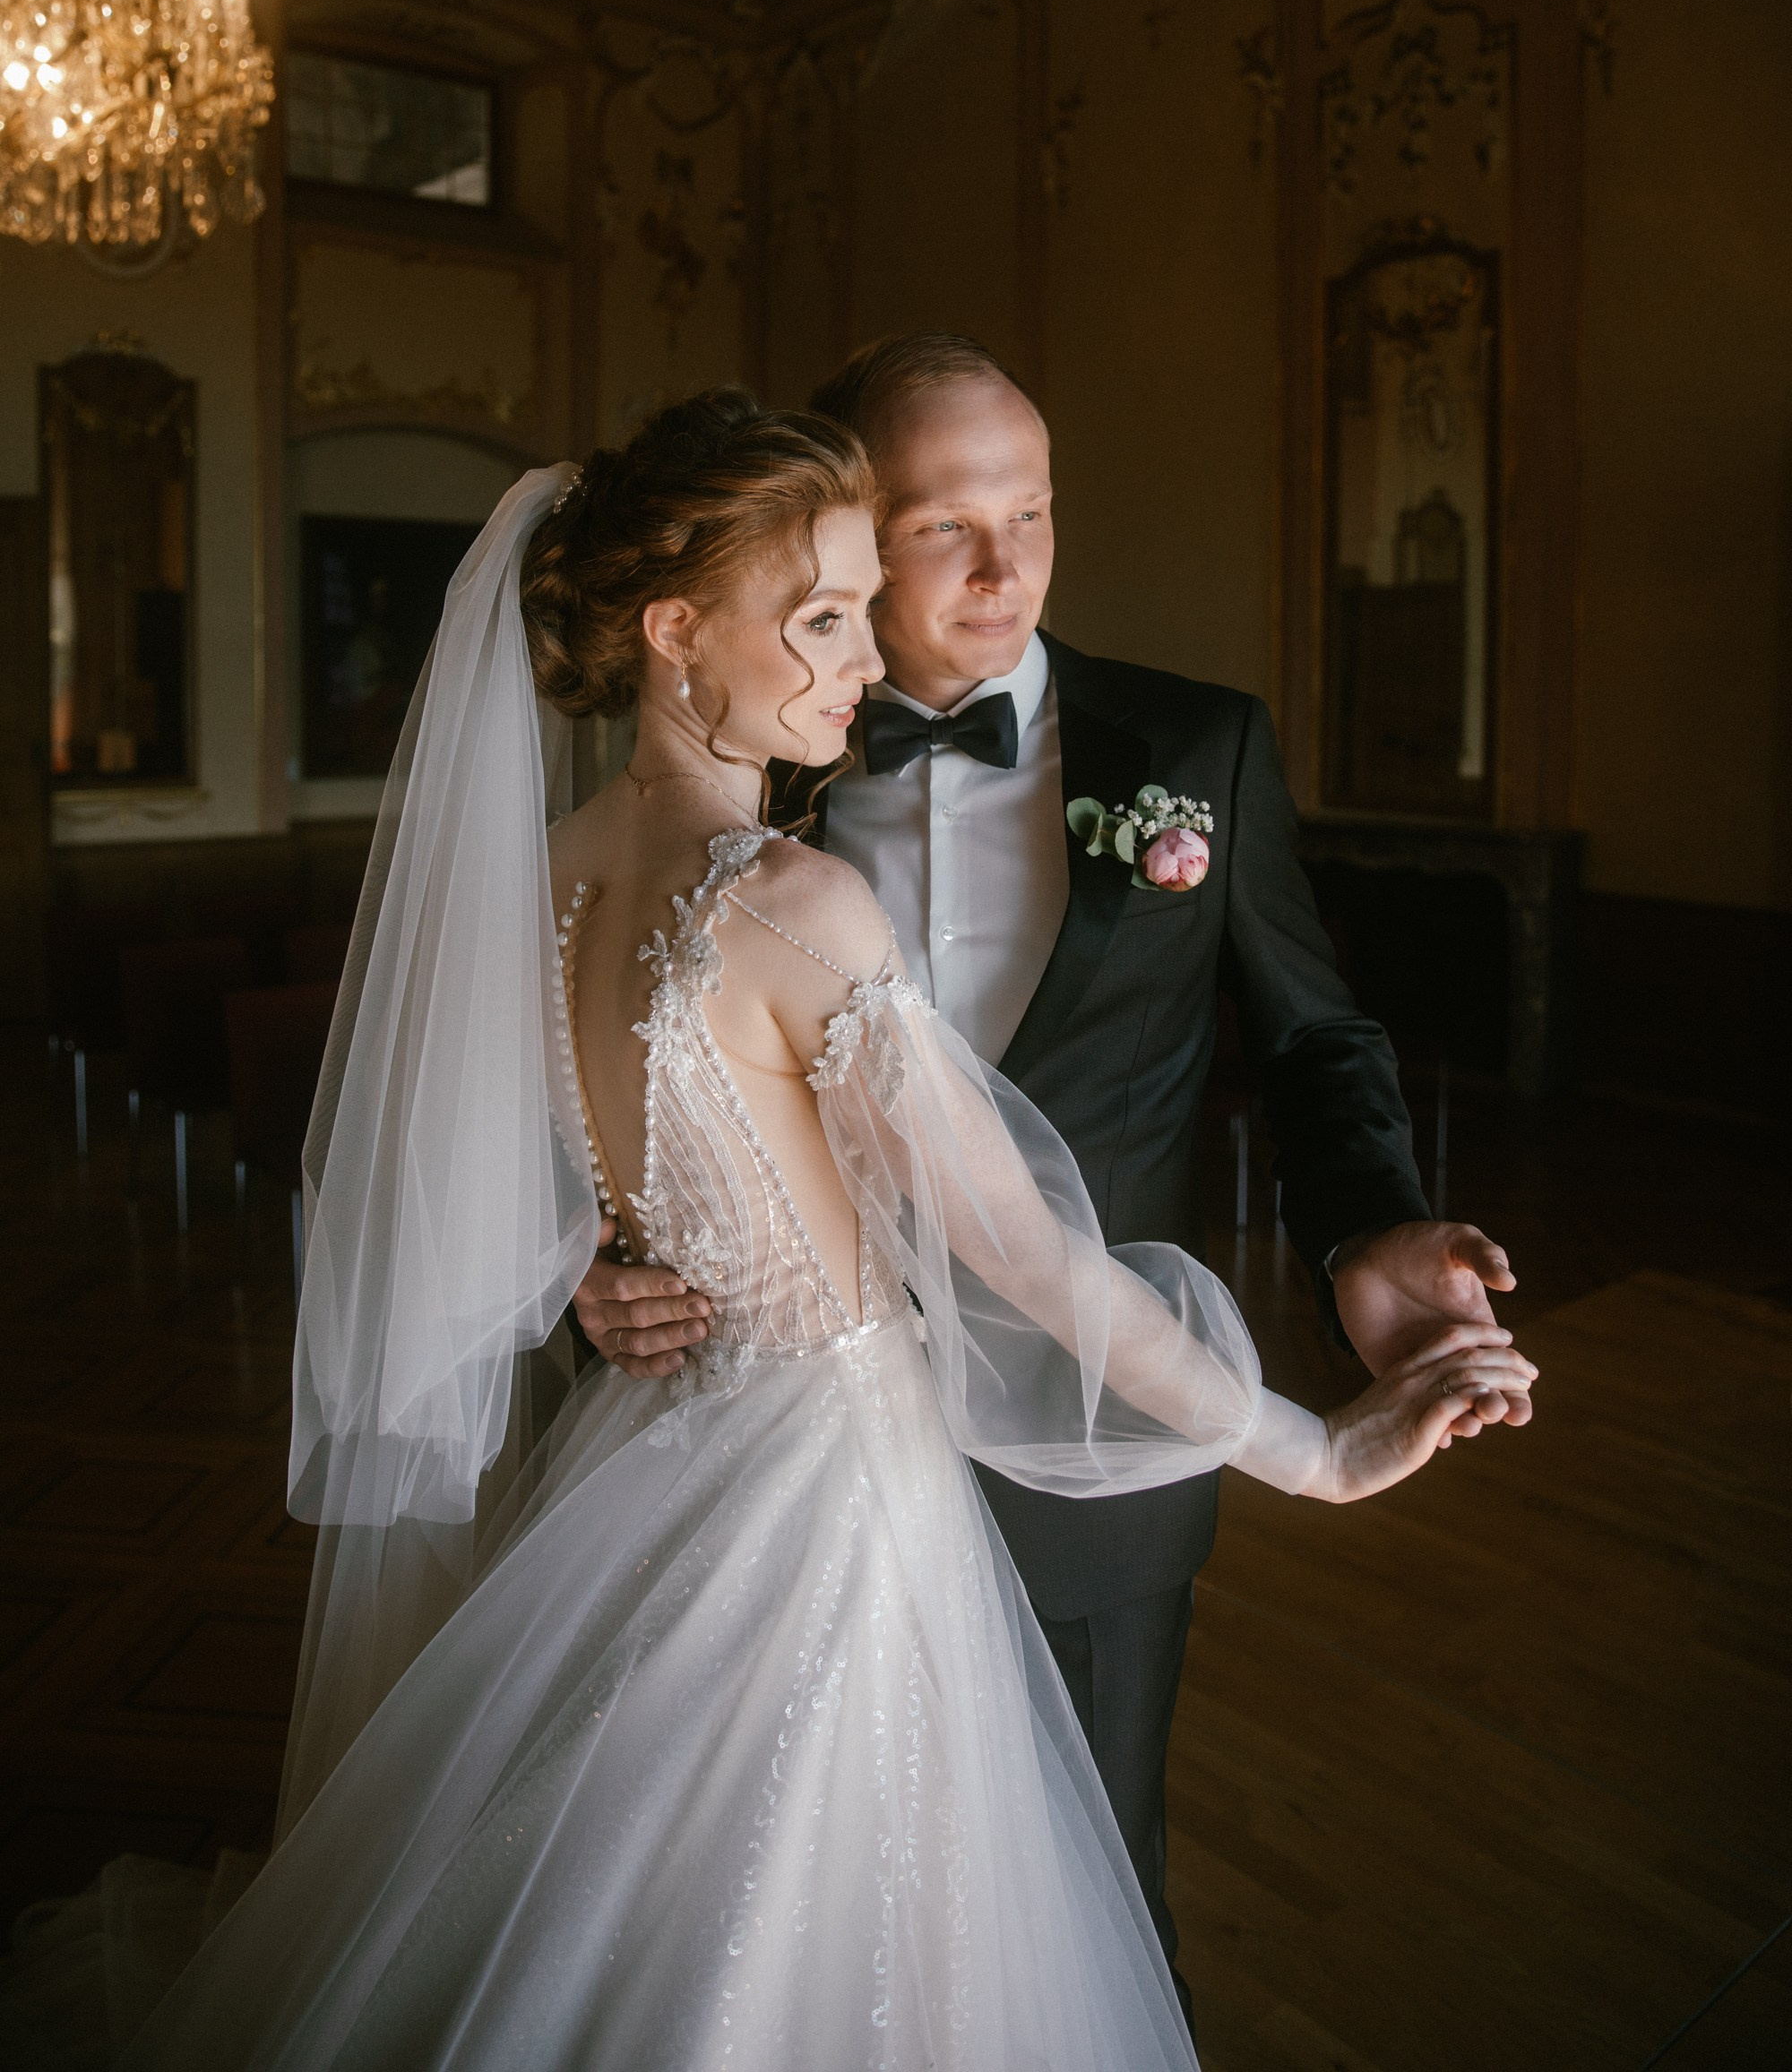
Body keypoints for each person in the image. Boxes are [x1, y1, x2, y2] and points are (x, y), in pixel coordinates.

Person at [3, 391, 1535, 2071]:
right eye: (824, 618)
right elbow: (1026, 1253)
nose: (867, 659)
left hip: (654, 1459)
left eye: (864, 607)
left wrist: (589, 1254)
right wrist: (1319, 1451)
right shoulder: (797, 900)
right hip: (837, 1485)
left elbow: (469, 1168)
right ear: (674, 631)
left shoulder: (537, 874)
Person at [575, 340, 1534, 2025]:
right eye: (944, 526)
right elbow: (627, 1064)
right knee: (754, 1921)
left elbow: (1315, 1037)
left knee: (1076, 1919)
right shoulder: (753, 743)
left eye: (1031, 512)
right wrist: (591, 1257)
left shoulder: (1197, 746)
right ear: (844, 531)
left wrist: (1372, 1229)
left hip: (1105, 1434)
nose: (1004, 566)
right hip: (768, 1447)